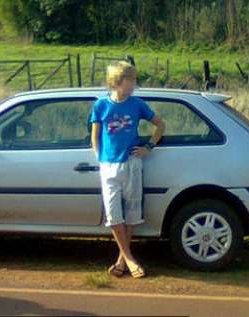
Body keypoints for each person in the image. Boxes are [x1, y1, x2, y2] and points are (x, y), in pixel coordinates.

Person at [89, 61, 165, 278]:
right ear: (117, 82)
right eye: (129, 80)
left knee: (131, 215)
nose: (133, 84)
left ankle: (122, 260)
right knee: (114, 216)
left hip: (132, 164)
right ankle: (130, 258)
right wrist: (99, 157)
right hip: (109, 165)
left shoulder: (137, 104)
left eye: (133, 79)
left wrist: (148, 147)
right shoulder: (101, 105)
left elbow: (160, 125)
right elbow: (95, 134)